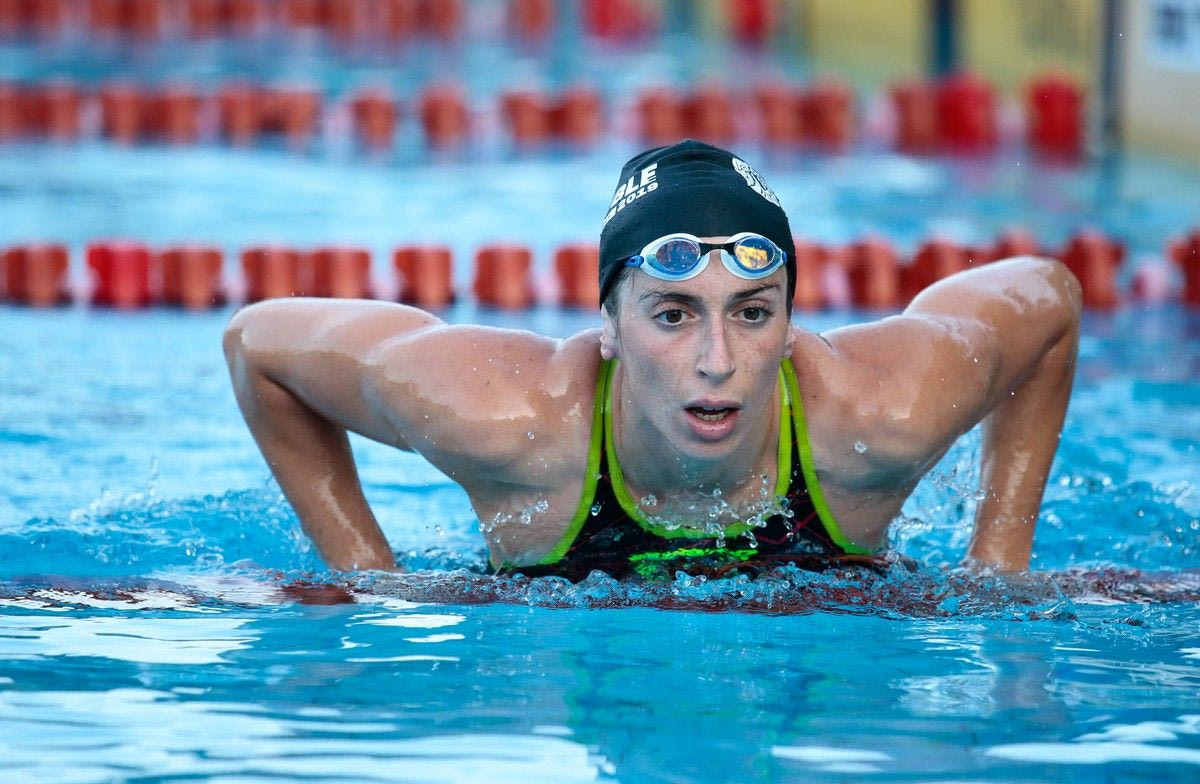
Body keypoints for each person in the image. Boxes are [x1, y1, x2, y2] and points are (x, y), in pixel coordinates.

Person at [223, 140, 1081, 581]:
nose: (717, 360)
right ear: (609, 324)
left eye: (752, 313)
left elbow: (1047, 295)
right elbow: (258, 344)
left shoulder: (878, 417)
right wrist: (367, 576)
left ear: (790, 326)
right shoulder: (508, 421)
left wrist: (998, 561)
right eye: (673, 314)